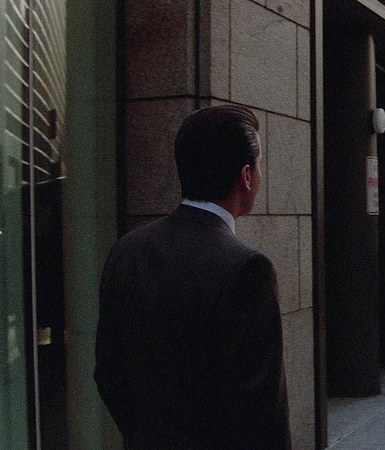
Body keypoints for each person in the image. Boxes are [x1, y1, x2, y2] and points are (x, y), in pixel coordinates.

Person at [94, 105, 292, 447]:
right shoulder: (248, 268)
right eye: (259, 166)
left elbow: (109, 374)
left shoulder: (127, 250)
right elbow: (261, 415)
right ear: (246, 176)